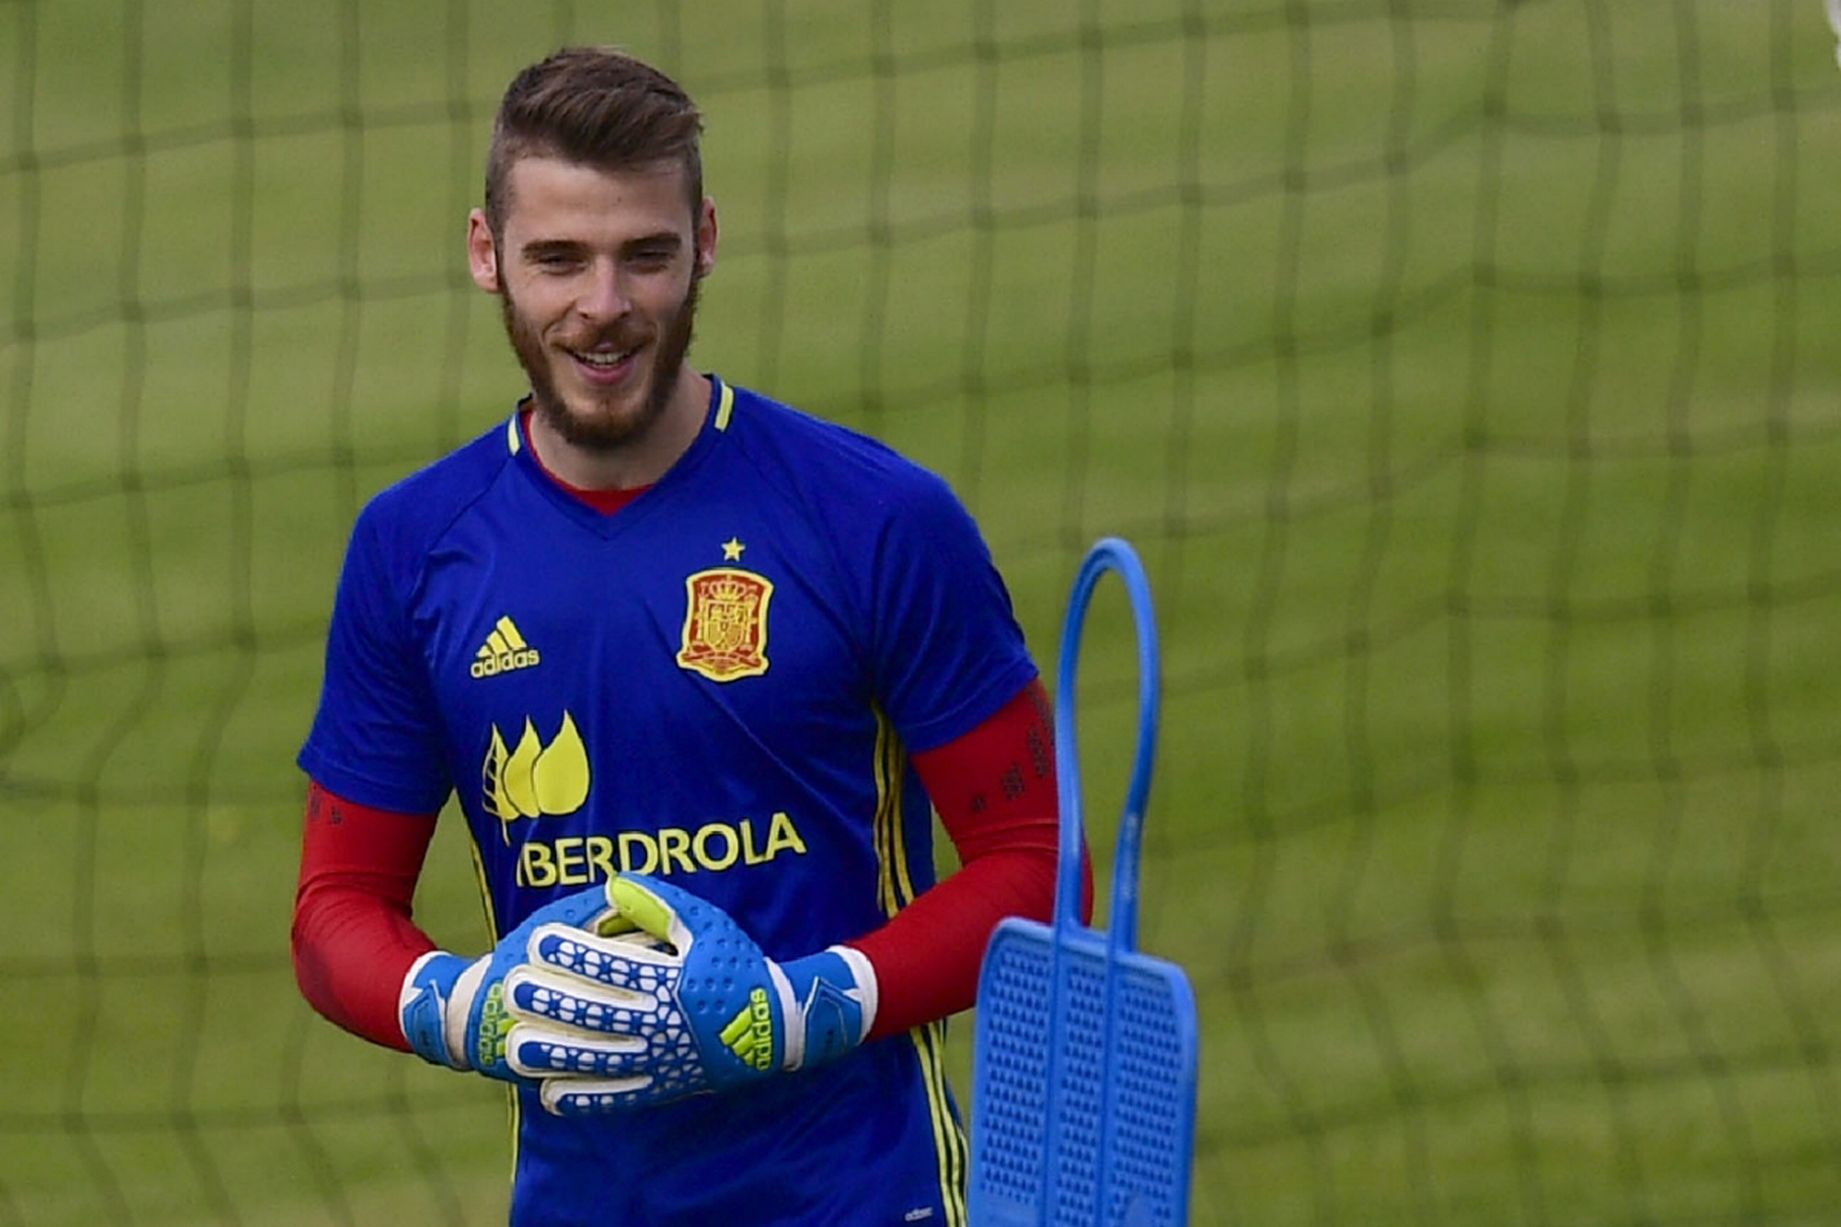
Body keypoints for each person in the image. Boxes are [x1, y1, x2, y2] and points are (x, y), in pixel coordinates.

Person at [291, 47, 1081, 1227]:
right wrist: (463, 1008)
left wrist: (814, 1003)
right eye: (557, 258)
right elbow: (334, 907)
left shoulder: (875, 519)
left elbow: (1036, 866)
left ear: (704, 238)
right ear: (483, 253)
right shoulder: (413, 551)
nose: (602, 306)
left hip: (862, 1199)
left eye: (643, 255)